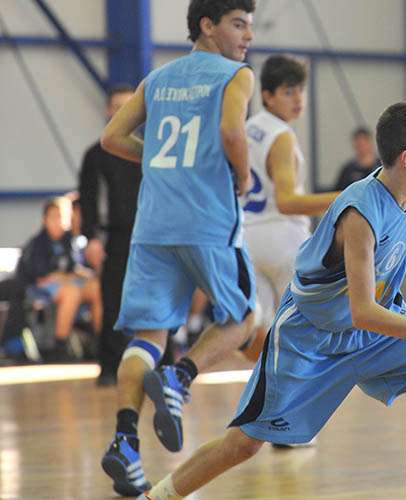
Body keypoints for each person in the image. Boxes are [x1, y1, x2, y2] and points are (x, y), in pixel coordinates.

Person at [137, 102, 406, 500]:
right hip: (312, 337)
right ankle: (155, 497)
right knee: (244, 443)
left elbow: (388, 216)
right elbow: (363, 311)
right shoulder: (359, 214)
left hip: (375, 335)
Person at [98, 0, 257, 496]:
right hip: (207, 221)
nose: (246, 36)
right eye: (238, 24)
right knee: (244, 317)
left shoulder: (157, 79)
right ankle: (181, 377)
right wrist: (245, 175)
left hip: (153, 226)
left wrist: (160, 158)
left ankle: (125, 440)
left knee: (148, 334)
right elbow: (232, 130)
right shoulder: (236, 76)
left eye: (250, 26)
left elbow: (111, 137)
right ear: (207, 26)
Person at [239, 54, 339, 370]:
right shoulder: (281, 136)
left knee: (254, 332)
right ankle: (296, 399)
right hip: (283, 240)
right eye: (287, 91)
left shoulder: (246, 128)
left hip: (247, 238)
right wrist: (345, 197)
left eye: (300, 90)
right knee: (310, 332)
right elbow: (286, 201)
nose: (297, 99)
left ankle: (267, 388)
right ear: (267, 95)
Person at [78, 83, 141, 386]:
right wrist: (90, 237)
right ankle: (109, 365)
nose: (121, 112)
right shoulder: (96, 154)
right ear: (108, 110)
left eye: (127, 106)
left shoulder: (148, 149)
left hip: (149, 234)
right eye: (116, 106)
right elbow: (88, 200)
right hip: (115, 236)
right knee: (112, 300)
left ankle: (162, 360)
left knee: (155, 298)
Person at [15, 199, 103, 361]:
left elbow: (73, 269)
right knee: (72, 291)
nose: (58, 222)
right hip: (41, 291)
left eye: (61, 217)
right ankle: (59, 346)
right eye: (53, 217)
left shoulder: (69, 241)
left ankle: (101, 342)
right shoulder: (38, 244)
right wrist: (63, 277)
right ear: (45, 220)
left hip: (67, 284)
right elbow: (42, 277)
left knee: (96, 287)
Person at [333, 126, 381, 190]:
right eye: (359, 143)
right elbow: (338, 192)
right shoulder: (348, 170)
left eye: (364, 142)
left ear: (371, 143)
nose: (362, 147)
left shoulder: (382, 167)